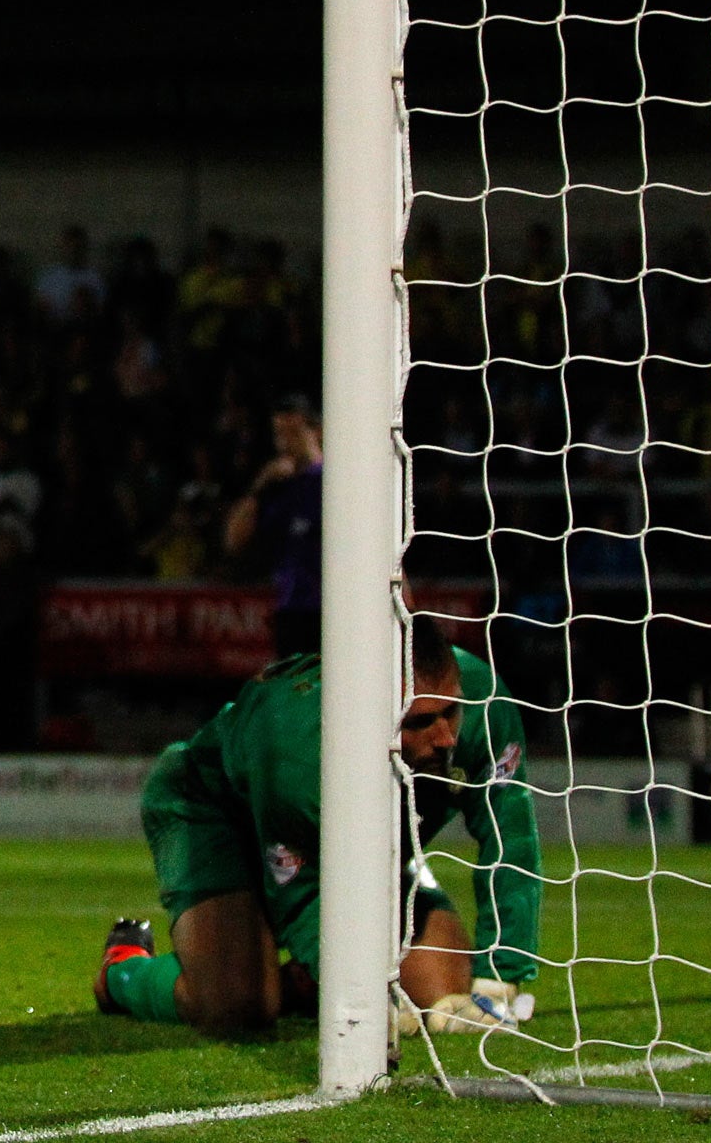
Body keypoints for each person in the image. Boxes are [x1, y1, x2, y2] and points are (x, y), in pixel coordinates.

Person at [94, 622, 540, 1037]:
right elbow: (301, 885)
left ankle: (282, 979)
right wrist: (353, 991)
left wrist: (501, 974)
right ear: (367, 713)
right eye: (418, 722)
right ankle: (124, 969)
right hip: (214, 809)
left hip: (344, 841)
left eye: (450, 712)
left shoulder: (485, 703)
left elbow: (510, 834)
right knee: (238, 1008)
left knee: (440, 990)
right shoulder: (301, 756)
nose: (445, 738)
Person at [223, 394, 323, 658]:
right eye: (279, 433)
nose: (285, 441)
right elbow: (233, 541)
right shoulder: (279, 487)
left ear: (317, 431)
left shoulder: (332, 480)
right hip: (292, 611)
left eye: (293, 432)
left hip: (333, 610)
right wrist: (260, 485)